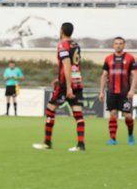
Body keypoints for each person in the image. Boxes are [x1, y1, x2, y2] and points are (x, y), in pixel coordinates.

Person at [32, 23, 86, 152]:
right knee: (78, 114)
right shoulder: (75, 45)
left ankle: (47, 142)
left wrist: (67, 87)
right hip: (77, 81)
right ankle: (81, 145)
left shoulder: (63, 45)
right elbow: (75, 65)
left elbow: (67, 64)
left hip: (66, 84)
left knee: (50, 110)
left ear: (61, 31)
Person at [99, 36, 136, 146]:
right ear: (113, 45)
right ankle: (113, 139)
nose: (118, 45)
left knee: (128, 116)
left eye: (120, 43)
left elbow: (135, 75)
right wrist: (101, 91)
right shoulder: (108, 59)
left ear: (124, 45)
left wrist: (132, 90)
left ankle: (130, 135)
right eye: (116, 43)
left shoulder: (130, 58)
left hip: (125, 92)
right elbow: (104, 75)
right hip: (111, 92)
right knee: (113, 114)